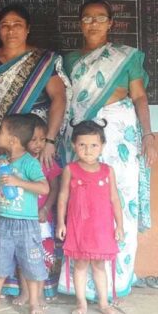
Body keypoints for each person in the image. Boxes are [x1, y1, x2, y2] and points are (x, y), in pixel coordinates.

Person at [58, 0, 156, 300]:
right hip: (81, 140)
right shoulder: (70, 60)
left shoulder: (125, 58)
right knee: (80, 206)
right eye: (87, 18)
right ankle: (77, 284)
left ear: (111, 23)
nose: (93, 24)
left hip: (120, 139)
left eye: (100, 18)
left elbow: (139, 97)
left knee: (119, 204)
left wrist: (148, 134)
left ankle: (115, 280)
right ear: (79, 23)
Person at [0, 4, 68, 167]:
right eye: (5, 26)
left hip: (37, 141)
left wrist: (50, 140)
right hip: (3, 140)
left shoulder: (42, 61)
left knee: (40, 185)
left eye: (17, 25)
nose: (11, 31)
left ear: (27, 29)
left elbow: (59, 98)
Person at [0, 115, 49, 314]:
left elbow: (44, 188)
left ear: (12, 140)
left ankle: (34, 303)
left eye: (1, 131)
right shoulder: (2, 160)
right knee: (0, 260)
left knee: (32, 263)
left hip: (26, 224)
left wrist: (18, 182)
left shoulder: (30, 163)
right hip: (4, 221)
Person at [56, 120, 123, 314]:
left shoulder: (108, 171)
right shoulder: (70, 169)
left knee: (99, 265)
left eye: (94, 145)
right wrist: (61, 222)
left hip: (101, 228)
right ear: (73, 145)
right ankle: (81, 304)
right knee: (81, 264)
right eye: (82, 145)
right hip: (79, 226)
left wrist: (119, 226)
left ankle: (103, 303)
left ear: (102, 146)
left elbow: (115, 199)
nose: (88, 150)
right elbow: (62, 197)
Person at [3, 114, 62, 307]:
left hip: (42, 217)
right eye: (34, 140)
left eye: (42, 139)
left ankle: (41, 292)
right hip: (21, 217)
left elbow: (53, 188)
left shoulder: (48, 161)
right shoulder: (16, 161)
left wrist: (46, 208)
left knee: (42, 256)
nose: (38, 144)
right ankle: (25, 292)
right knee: (23, 256)